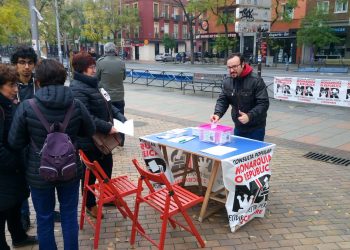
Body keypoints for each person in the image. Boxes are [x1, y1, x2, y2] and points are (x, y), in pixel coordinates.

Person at [8, 59, 95, 250]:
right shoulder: (76, 104)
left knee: (44, 217)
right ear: (63, 79)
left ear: (38, 81)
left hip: (39, 172)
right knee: (69, 215)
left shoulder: (27, 106)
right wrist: (70, 138)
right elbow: (90, 131)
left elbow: (15, 142)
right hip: (70, 170)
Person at [70, 52, 126, 218]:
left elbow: (109, 105)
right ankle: (89, 204)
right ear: (81, 69)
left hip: (103, 139)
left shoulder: (95, 84)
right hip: (90, 140)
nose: (94, 69)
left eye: (94, 66)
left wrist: (121, 117)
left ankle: (107, 197)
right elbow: (86, 116)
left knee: (107, 169)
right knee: (90, 175)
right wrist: (108, 127)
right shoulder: (77, 88)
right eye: (91, 67)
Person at [0, 64, 38, 249]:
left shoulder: (8, 104)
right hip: (5, 170)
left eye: (16, 85)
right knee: (2, 210)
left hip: (13, 170)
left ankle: (19, 237)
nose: (15, 89)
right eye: (11, 85)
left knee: (14, 205)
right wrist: (17, 162)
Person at [210, 53, 269, 141]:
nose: (231, 70)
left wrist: (249, 116)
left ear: (242, 64)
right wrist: (217, 114)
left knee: (253, 153)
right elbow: (223, 100)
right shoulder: (227, 81)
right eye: (229, 67)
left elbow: (263, 103)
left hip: (255, 128)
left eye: (234, 66)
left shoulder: (256, 81)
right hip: (238, 126)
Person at [10, 45, 37, 231]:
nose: (26, 67)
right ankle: (24, 215)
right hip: (17, 141)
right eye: (22, 63)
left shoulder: (39, 82)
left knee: (39, 178)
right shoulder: (9, 86)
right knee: (20, 183)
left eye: (30, 63)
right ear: (15, 65)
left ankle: (47, 211)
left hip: (36, 140)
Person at [96, 42, 126, 145]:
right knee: (120, 117)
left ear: (105, 51)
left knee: (108, 119)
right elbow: (124, 77)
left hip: (106, 96)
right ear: (115, 50)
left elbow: (96, 77)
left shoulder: (100, 62)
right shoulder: (121, 62)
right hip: (119, 95)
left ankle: (111, 141)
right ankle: (121, 141)